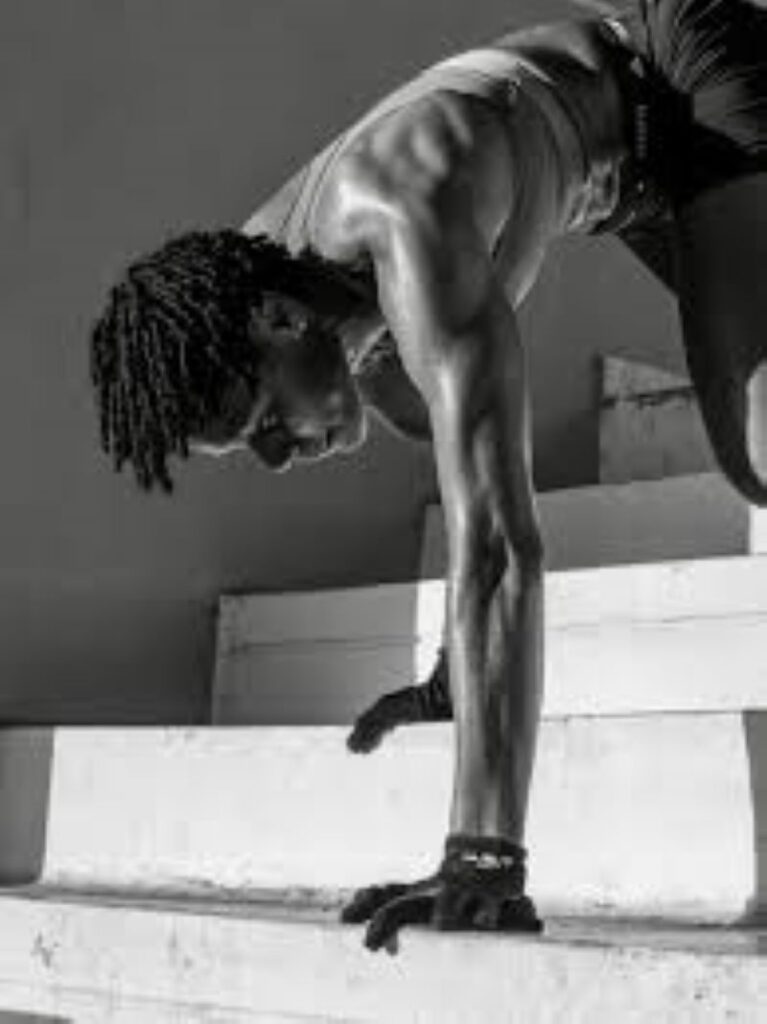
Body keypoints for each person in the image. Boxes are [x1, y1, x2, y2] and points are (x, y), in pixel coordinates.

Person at [90, 0, 767, 952]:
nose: (279, 455)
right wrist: (464, 670)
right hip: (632, 176)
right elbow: (466, 480)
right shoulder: (261, 293)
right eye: (252, 449)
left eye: (264, 424)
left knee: (755, 450)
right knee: (422, 405)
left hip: (677, 79)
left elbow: (499, 547)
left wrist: (482, 856)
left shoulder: (400, 219)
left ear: (281, 323)